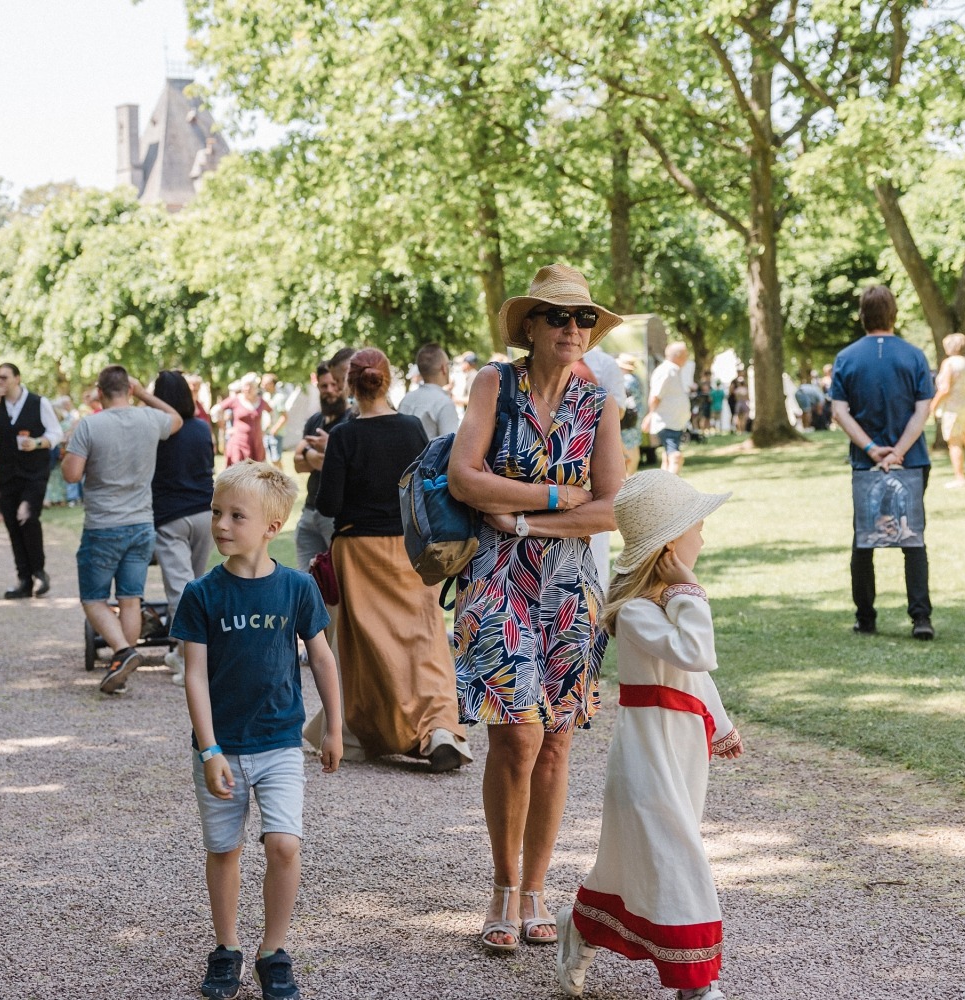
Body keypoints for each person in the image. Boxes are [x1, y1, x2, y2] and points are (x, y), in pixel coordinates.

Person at [447, 263, 625, 953]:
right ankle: (500, 884)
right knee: (515, 735)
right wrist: (556, 498)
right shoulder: (496, 383)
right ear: (529, 324)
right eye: (557, 317)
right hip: (496, 584)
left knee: (553, 741)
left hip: (570, 587)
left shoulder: (599, 399)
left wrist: (519, 516)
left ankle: (535, 890)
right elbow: (466, 478)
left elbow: (610, 506)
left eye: (583, 319)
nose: (573, 329)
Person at [556, 470, 742, 1000]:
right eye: (696, 527)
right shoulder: (637, 611)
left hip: (681, 750)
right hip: (646, 754)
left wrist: (722, 727)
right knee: (679, 855)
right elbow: (697, 652)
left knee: (629, 861)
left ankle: (584, 926)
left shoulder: (667, 605)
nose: (702, 537)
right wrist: (687, 587)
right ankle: (694, 984)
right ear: (668, 548)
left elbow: (697, 677)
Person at [171, 461, 343, 1000]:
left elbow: (323, 660)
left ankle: (273, 951)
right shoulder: (201, 594)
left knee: (284, 844)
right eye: (217, 512)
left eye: (236, 515)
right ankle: (226, 949)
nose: (221, 524)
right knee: (224, 849)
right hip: (221, 750)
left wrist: (334, 726)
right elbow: (194, 676)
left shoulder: (297, 588)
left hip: (279, 745)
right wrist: (209, 748)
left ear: (271, 527)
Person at [314, 348, 472, 772]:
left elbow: (327, 504)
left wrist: (322, 463)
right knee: (425, 638)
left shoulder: (345, 437)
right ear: (387, 382)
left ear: (351, 384)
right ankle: (440, 728)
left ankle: (370, 733)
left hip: (359, 552)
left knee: (369, 646)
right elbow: (425, 485)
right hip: (411, 551)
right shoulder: (411, 428)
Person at [61, 365, 182, 694]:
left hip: (104, 524)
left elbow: (71, 475)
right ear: (128, 389)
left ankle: (123, 652)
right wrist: (144, 394)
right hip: (142, 522)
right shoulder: (149, 419)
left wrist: (67, 448)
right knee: (131, 599)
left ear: (99, 393)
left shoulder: (90, 425)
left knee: (94, 598)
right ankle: (122, 665)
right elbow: (177, 418)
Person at [829, 285, 936, 641]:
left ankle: (866, 616)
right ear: (893, 313)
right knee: (912, 537)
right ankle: (921, 618)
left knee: (864, 539)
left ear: (863, 314)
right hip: (912, 460)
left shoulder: (846, 358)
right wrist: (900, 449)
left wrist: (873, 448)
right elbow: (924, 407)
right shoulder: (914, 355)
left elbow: (839, 410)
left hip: (865, 462)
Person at [150, 370, 216, 687]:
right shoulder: (202, 429)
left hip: (170, 517)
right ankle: (181, 650)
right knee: (196, 586)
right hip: (205, 514)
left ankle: (194, 663)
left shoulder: (158, 434)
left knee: (181, 592)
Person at [0, 363, 63, 599]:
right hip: (5, 473)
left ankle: (39, 571)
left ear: (17, 378)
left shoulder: (39, 402)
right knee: (12, 525)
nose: (0, 382)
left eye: (4, 377)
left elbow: (56, 433)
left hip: (34, 471)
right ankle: (24, 578)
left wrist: (36, 443)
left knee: (26, 516)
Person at [291, 362, 353, 572]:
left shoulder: (350, 422)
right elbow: (298, 464)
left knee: (340, 579)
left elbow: (331, 466)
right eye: (324, 386)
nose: (330, 391)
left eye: (335, 385)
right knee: (307, 580)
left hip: (336, 515)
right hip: (309, 510)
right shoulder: (314, 421)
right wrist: (313, 454)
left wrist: (312, 454)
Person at [929, 333, 965, 487]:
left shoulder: (950, 363)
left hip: (952, 408)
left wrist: (933, 405)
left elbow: (945, 388)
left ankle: (959, 477)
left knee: (954, 442)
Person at [645, 342, 692, 474]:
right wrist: (650, 415)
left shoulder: (673, 370)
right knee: (675, 457)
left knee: (667, 457)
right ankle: (670, 490)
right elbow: (655, 396)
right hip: (667, 421)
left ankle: (663, 489)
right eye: (686, 354)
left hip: (673, 422)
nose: (687, 358)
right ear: (678, 355)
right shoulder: (666, 370)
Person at [397, 342, 460, 439]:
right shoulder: (444, 403)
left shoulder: (406, 399)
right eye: (448, 364)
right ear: (443, 368)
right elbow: (451, 448)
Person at [214, 377, 272, 466]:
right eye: (246, 387)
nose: (248, 389)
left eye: (250, 387)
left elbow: (272, 413)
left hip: (256, 442)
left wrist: (266, 427)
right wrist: (224, 428)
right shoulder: (235, 400)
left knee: (257, 471)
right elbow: (215, 410)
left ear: (255, 388)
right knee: (239, 469)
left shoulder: (260, 401)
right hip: (240, 442)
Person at [618, 354, 645, 476]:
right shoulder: (635, 378)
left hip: (628, 419)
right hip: (635, 417)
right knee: (633, 446)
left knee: (629, 448)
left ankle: (628, 477)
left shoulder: (627, 380)